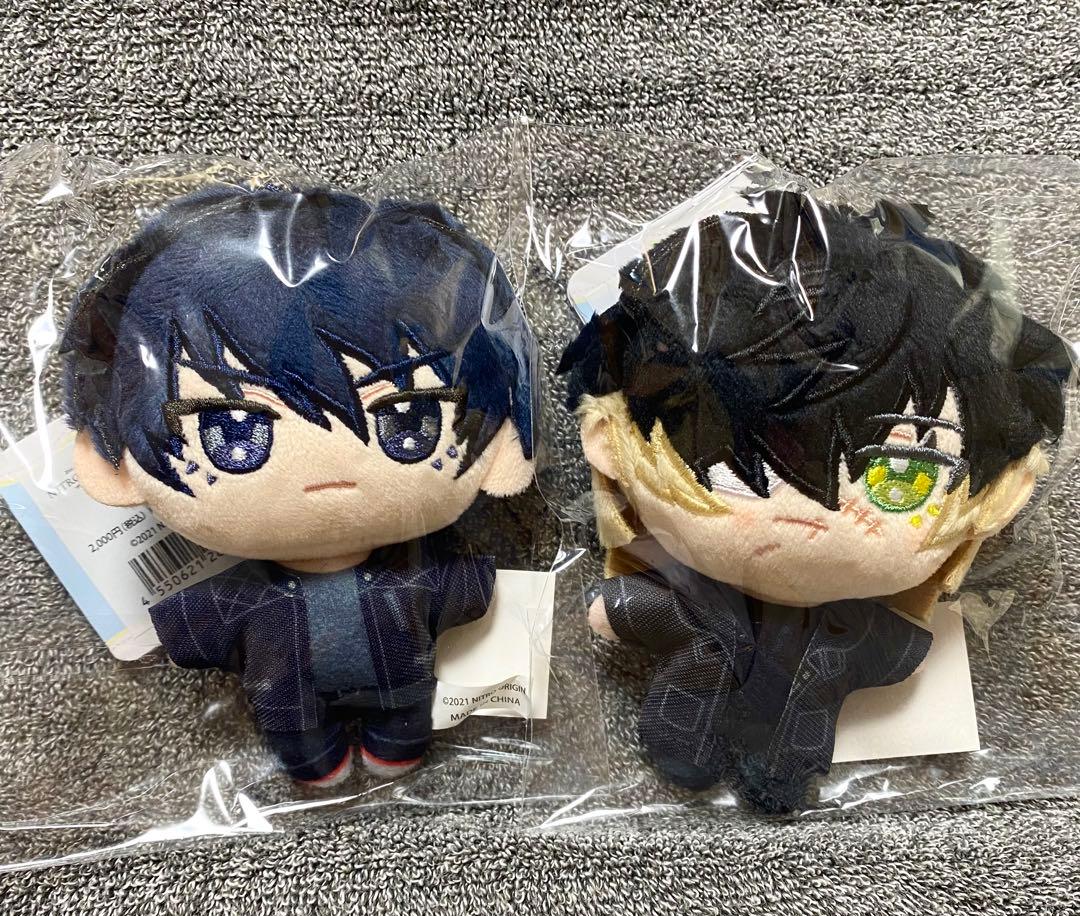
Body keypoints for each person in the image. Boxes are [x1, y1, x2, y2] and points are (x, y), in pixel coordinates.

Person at [559, 189, 1068, 812]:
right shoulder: (686, 592)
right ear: (609, 440)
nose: (819, 512)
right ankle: (746, 676)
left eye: (901, 474)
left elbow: (610, 614)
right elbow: (617, 612)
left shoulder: (863, 629)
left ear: (1004, 491)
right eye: (736, 468)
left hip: (854, 634)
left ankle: (794, 696)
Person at [64, 186, 535, 784]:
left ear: (502, 445)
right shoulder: (265, 598)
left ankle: (392, 743)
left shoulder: (407, 580)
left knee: (399, 711)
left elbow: (466, 587)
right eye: (233, 432)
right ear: (114, 467)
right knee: (299, 728)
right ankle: (316, 758)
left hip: (402, 691)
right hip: (296, 704)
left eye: (408, 420)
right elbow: (197, 622)